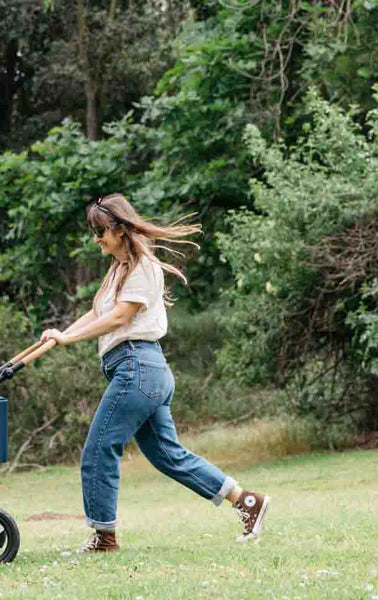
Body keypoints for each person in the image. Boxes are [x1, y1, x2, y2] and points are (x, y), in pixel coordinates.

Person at [39, 194, 270, 553]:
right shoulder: (118, 268)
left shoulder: (144, 267)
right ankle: (247, 502)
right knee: (169, 456)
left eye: (100, 232)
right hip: (141, 371)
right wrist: (59, 334)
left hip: (138, 368)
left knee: (100, 448)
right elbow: (97, 312)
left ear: (119, 228)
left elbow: (118, 318)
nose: (96, 239)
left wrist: (69, 339)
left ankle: (104, 537)